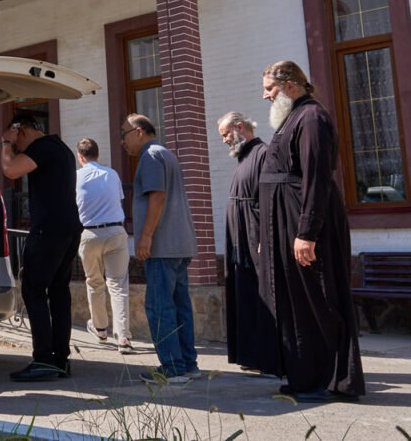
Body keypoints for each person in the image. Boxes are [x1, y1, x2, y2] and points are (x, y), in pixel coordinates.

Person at [259, 61, 365, 402]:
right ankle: (304, 374)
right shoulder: (292, 118)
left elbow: (316, 178)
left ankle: (331, 377)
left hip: (305, 225)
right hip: (286, 223)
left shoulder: (312, 118)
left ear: (290, 85)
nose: (265, 95)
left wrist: (307, 233)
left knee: (318, 298)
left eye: (270, 89)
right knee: (295, 302)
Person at [1, 114, 82, 381]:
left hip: (48, 230)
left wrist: (5, 142)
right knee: (58, 292)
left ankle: (44, 359)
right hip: (68, 228)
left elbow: (10, 170)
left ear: (21, 129)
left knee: (33, 289)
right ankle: (60, 359)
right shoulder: (62, 149)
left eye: (16, 136)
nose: (17, 144)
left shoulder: (42, 147)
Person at [119, 114, 199, 384]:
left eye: (124, 134)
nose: (122, 141)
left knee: (159, 307)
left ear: (139, 131)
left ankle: (173, 368)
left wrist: (145, 237)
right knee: (179, 306)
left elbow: (158, 195)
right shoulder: (165, 153)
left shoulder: (150, 155)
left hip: (163, 246)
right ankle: (188, 364)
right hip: (179, 244)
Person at [216, 111, 279, 374]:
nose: (224, 141)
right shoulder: (244, 158)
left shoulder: (263, 153)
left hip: (253, 237)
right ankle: (250, 354)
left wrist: (265, 235)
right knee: (244, 294)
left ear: (239, 127)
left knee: (259, 294)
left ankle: (266, 356)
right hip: (240, 239)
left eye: (226, 134)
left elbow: (269, 198)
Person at [74, 138, 133, 354]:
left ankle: (100, 328)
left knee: (94, 282)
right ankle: (123, 337)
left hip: (89, 232)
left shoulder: (76, 177)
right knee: (118, 284)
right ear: (97, 155)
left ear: (80, 157)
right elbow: (118, 199)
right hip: (116, 231)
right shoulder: (112, 174)